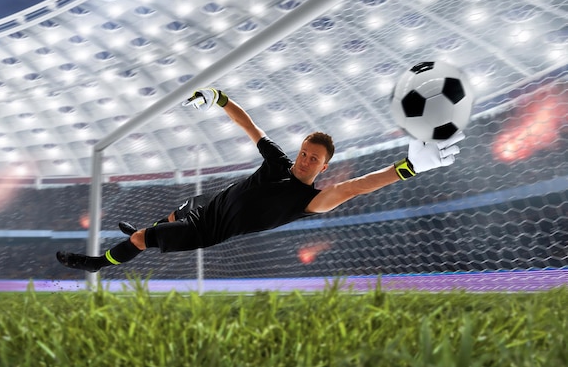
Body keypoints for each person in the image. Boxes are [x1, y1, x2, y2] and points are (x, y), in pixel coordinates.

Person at [57, 88, 464, 272]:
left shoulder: (308, 201)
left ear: (322, 168)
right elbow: (249, 124)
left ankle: (97, 264)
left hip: (209, 230)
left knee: (143, 239)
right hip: (207, 204)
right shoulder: (278, 162)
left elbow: (352, 188)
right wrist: (218, 98)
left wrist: (405, 169)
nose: (305, 160)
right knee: (174, 212)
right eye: (305, 152)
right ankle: (150, 231)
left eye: (314, 160)